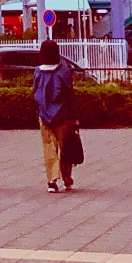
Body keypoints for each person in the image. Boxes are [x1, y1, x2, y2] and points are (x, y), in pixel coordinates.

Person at [31, 40, 83, 192]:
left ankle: (52, 180)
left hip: (44, 114)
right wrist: (75, 116)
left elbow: (35, 92)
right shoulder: (63, 71)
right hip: (63, 115)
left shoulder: (38, 72)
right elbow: (69, 94)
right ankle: (67, 178)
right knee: (64, 147)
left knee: (49, 147)